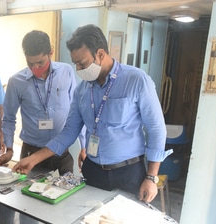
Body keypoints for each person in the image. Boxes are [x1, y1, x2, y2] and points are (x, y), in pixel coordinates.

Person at [12, 24, 172, 203]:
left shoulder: (136, 80)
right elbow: (68, 132)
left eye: (83, 63)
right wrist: (34, 158)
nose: (79, 69)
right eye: (76, 64)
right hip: (93, 170)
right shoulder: (82, 90)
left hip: (128, 172)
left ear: (101, 54)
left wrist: (151, 177)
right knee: (88, 222)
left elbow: (156, 129)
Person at [0, 30, 77, 174]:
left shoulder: (66, 71)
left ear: (50, 53)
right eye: (30, 63)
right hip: (31, 151)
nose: (35, 68)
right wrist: (10, 148)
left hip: (62, 150)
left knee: (66, 192)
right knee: (30, 193)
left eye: (40, 62)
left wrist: (85, 146)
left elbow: (76, 111)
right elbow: (8, 118)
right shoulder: (16, 81)